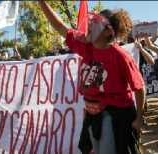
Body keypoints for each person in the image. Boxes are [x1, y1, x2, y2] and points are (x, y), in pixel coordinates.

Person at [39, 1, 145, 154]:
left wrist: (139, 119)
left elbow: (139, 88)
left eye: (96, 22)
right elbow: (60, 26)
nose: (90, 24)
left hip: (116, 115)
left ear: (108, 32)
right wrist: (42, 2)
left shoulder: (121, 57)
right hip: (92, 114)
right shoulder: (86, 46)